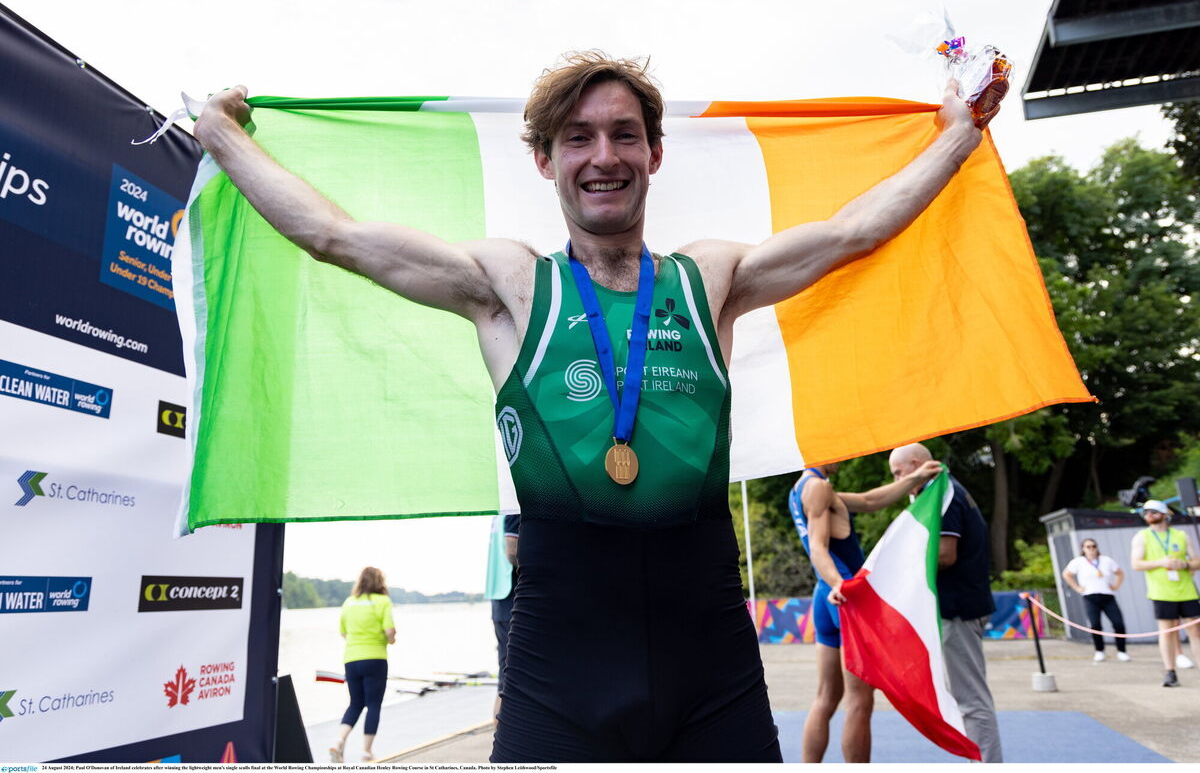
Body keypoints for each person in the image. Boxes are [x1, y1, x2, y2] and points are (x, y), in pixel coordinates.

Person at [193, 51, 1000, 763]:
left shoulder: (707, 278)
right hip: (557, 679)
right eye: (577, 137)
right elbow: (334, 236)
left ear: (654, 153)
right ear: (545, 160)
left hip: (712, 672)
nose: (602, 155)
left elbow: (854, 230)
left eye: (622, 134)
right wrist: (222, 136)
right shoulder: (509, 285)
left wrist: (959, 134)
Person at [787, 459, 942, 762]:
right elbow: (818, 547)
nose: (843, 459)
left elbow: (871, 500)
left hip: (825, 596)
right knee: (859, 700)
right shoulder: (819, 487)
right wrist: (839, 585)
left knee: (826, 696)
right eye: (838, 452)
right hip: (844, 598)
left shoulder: (802, 489)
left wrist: (916, 479)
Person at [888, 443, 1003, 763]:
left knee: (971, 700)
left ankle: (989, 765)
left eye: (899, 473)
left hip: (959, 608)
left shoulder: (944, 493)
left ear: (915, 465)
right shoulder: (944, 490)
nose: (898, 481)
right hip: (960, 605)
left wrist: (901, 567)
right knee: (965, 697)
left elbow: (945, 554)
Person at [1130, 499, 1200, 687]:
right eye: (1146, 513)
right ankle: (1170, 671)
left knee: (1195, 630)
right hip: (1161, 591)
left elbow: (1196, 561)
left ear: (1164, 514)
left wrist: (1184, 564)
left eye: (1153, 511)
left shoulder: (1181, 535)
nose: (1149, 515)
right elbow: (1136, 564)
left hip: (1186, 589)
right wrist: (1161, 562)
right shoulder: (1142, 536)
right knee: (1167, 631)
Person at [331, 566, 396, 763]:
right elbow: (390, 632)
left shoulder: (349, 603)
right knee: (373, 704)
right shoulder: (383, 601)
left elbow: (343, 633)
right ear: (380, 582)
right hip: (375, 658)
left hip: (351, 659)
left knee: (355, 703)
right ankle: (366, 751)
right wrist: (391, 640)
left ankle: (339, 741)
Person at [1062, 539, 1130, 662]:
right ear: (1083, 548)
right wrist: (1077, 587)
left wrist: (1115, 586)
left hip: (1107, 596)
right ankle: (1099, 650)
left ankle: (1122, 651)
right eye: (1088, 547)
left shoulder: (1106, 560)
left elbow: (1120, 573)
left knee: (1118, 623)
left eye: (1093, 546)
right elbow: (1066, 574)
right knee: (1095, 624)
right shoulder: (1078, 562)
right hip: (1090, 597)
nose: (1091, 549)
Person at [484, 513, 520, 717]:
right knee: (513, 677)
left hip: (498, 597)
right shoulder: (514, 509)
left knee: (505, 676)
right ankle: (504, 740)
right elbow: (512, 550)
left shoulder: (497, 514)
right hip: (511, 598)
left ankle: (500, 740)